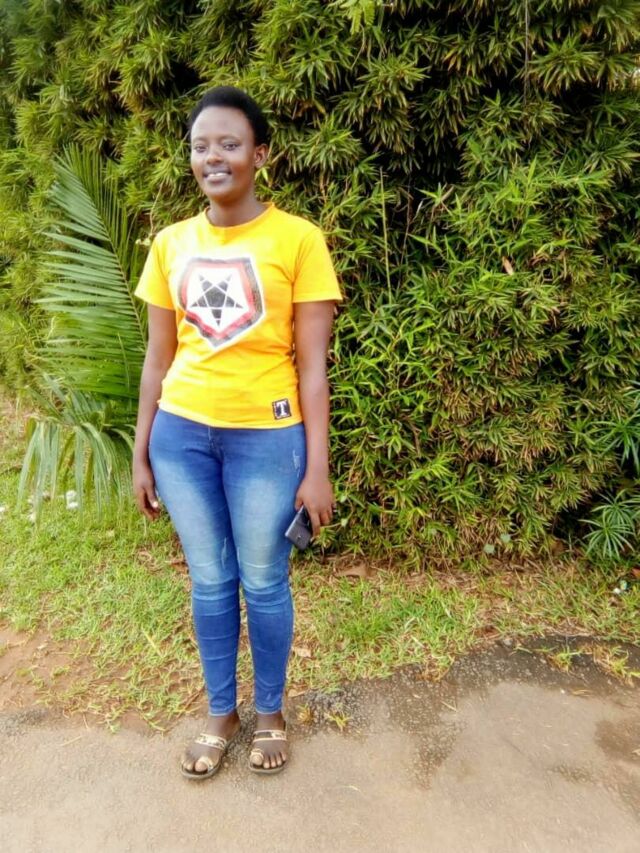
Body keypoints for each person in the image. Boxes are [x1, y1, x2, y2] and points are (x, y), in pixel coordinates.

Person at [132, 86, 342, 779]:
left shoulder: (299, 239)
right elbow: (157, 358)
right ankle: (221, 712)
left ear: (260, 154)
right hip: (181, 439)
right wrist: (141, 450)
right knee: (210, 580)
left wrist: (318, 468)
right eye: (200, 146)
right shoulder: (170, 244)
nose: (212, 157)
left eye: (229, 143)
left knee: (264, 578)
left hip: (267, 440)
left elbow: (313, 367)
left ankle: (271, 711)